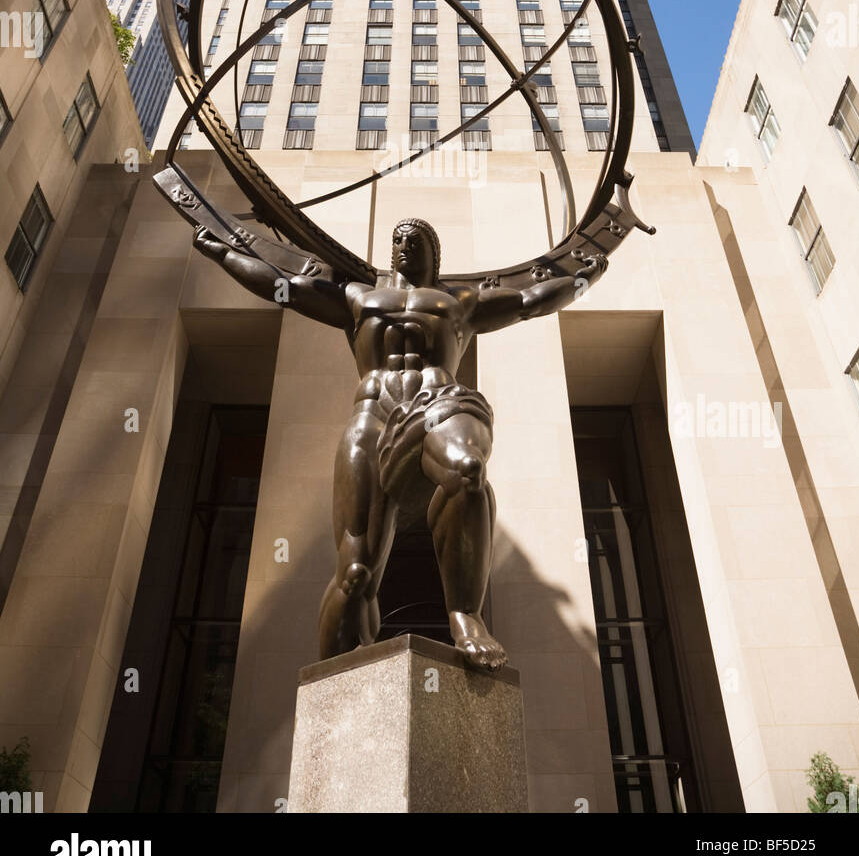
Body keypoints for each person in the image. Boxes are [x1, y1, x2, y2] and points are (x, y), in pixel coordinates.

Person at [193, 216, 597, 669]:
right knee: (355, 573)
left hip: (437, 405)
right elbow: (281, 286)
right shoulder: (357, 295)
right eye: (398, 239)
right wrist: (225, 254)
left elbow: (528, 300)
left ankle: (465, 615)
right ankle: (331, 684)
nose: (404, 245)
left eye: (416, 239)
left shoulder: (457, 301)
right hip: (372, 417)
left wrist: (587, 272)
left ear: (434, 253)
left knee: (467, 469)